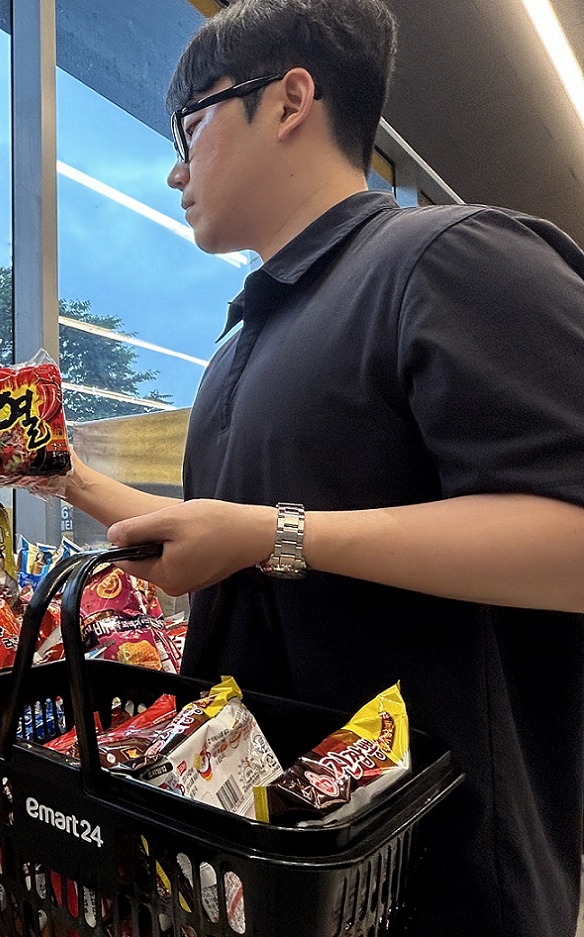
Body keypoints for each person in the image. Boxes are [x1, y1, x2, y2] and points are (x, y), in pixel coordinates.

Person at [58, 1, 584, 935]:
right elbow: (232, 547)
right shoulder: (239, 344)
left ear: (290, 99)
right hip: (265, 869)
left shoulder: (450, 259)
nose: (175, 169)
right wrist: (67, 476)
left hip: (444, 882)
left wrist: (272, 533)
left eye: (188, 126)